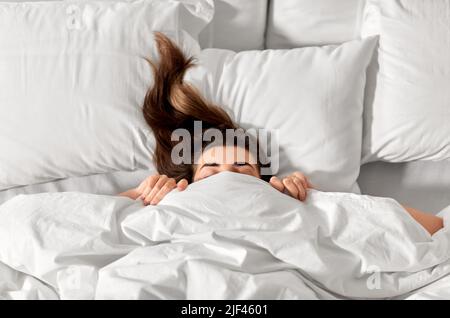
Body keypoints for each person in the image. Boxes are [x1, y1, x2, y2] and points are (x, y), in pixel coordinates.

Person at [119, 32, 443, 236]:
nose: (226, 175)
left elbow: (434, 227)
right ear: (187, 182)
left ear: (264, 182)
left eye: (242, 168)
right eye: (210, 169)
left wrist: (318, 201)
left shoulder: (286, 204)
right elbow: (79, 226)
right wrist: (137, 198)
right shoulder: (171, 202)